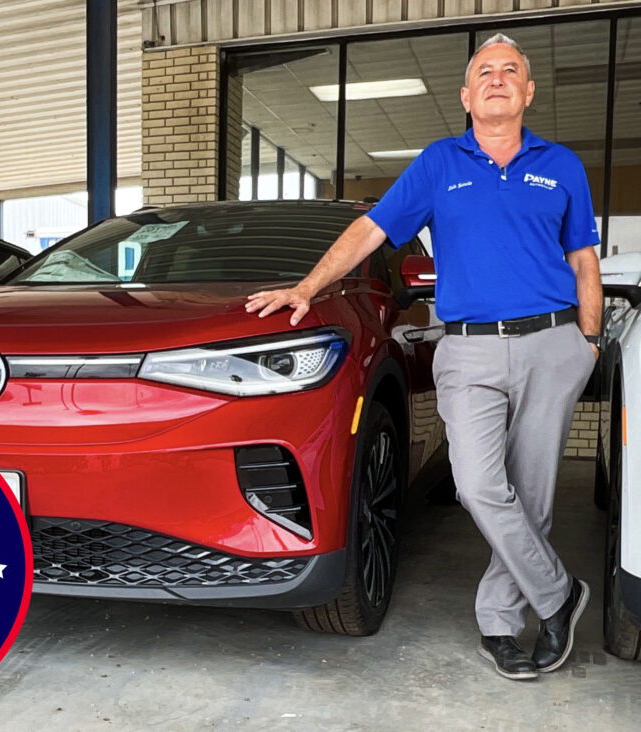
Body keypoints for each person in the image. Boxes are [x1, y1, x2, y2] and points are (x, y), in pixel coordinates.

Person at [245, 33, 601, 681]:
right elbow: (371, 230)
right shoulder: (440, 163)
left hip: (553, 344)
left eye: (510, 70)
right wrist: (306, 287)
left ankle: (499, 622)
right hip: (468, 348)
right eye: (484, 72)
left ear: (527, 91)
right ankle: (559, 595)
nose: (497, 79)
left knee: (533, 498)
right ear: (466, 96)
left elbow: (583, 259)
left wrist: (590, 341)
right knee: (479, 486)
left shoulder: (562, 165)